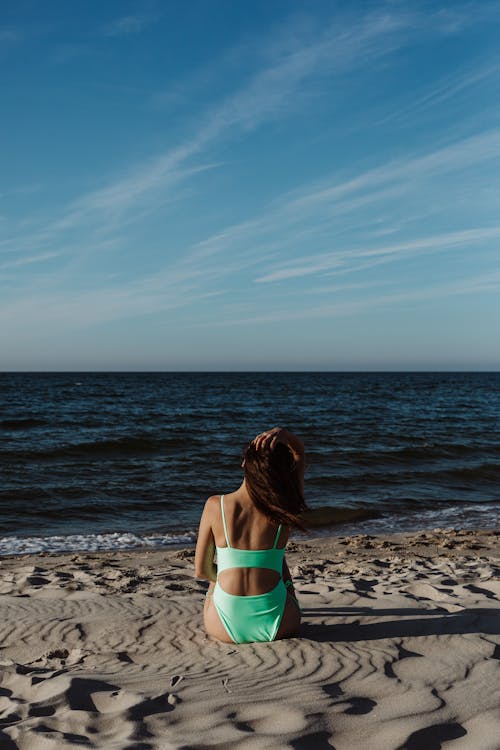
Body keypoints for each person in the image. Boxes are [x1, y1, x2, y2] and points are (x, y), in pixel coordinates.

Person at [195, 427, 307, 643]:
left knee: (218, 575)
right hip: (280, 622)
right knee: (277, 561)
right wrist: (287, 436)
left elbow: (201, 570)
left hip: (223, 625)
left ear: (244, 464)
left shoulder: (214, 505)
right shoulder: (287, 506)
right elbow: (300, 455)